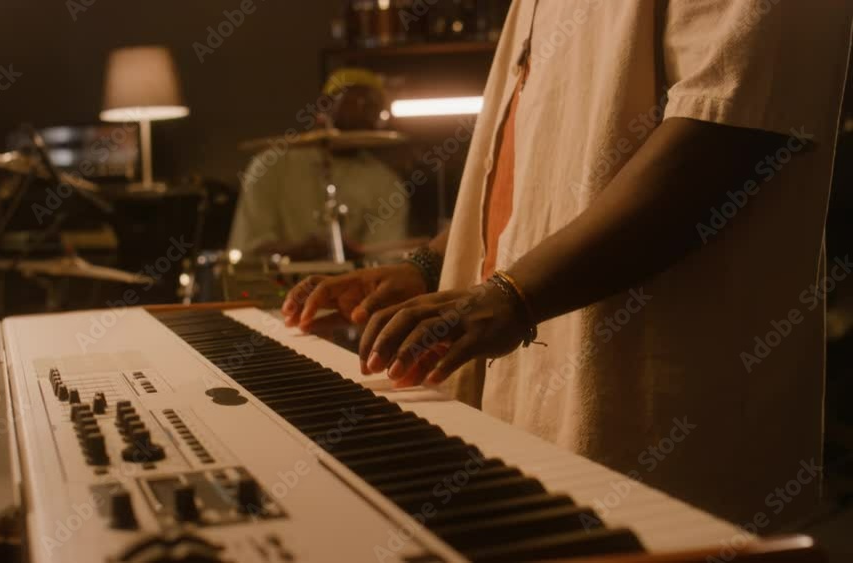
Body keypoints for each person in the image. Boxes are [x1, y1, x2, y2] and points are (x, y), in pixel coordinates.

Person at [282, 0, 852, 528]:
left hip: (668, 441)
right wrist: (429, 266)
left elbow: (728, 130)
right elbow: (537, 163)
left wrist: (514, 294)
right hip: (524, 421)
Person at [228, 68, 408, 261]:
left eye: (372, 106)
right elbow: (249, 250)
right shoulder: (269, 166)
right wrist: (308, 250)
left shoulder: (387, 183)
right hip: (275, 287)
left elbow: (383, 260)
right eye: (355, 102)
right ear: (324, 106)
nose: (362, 112)